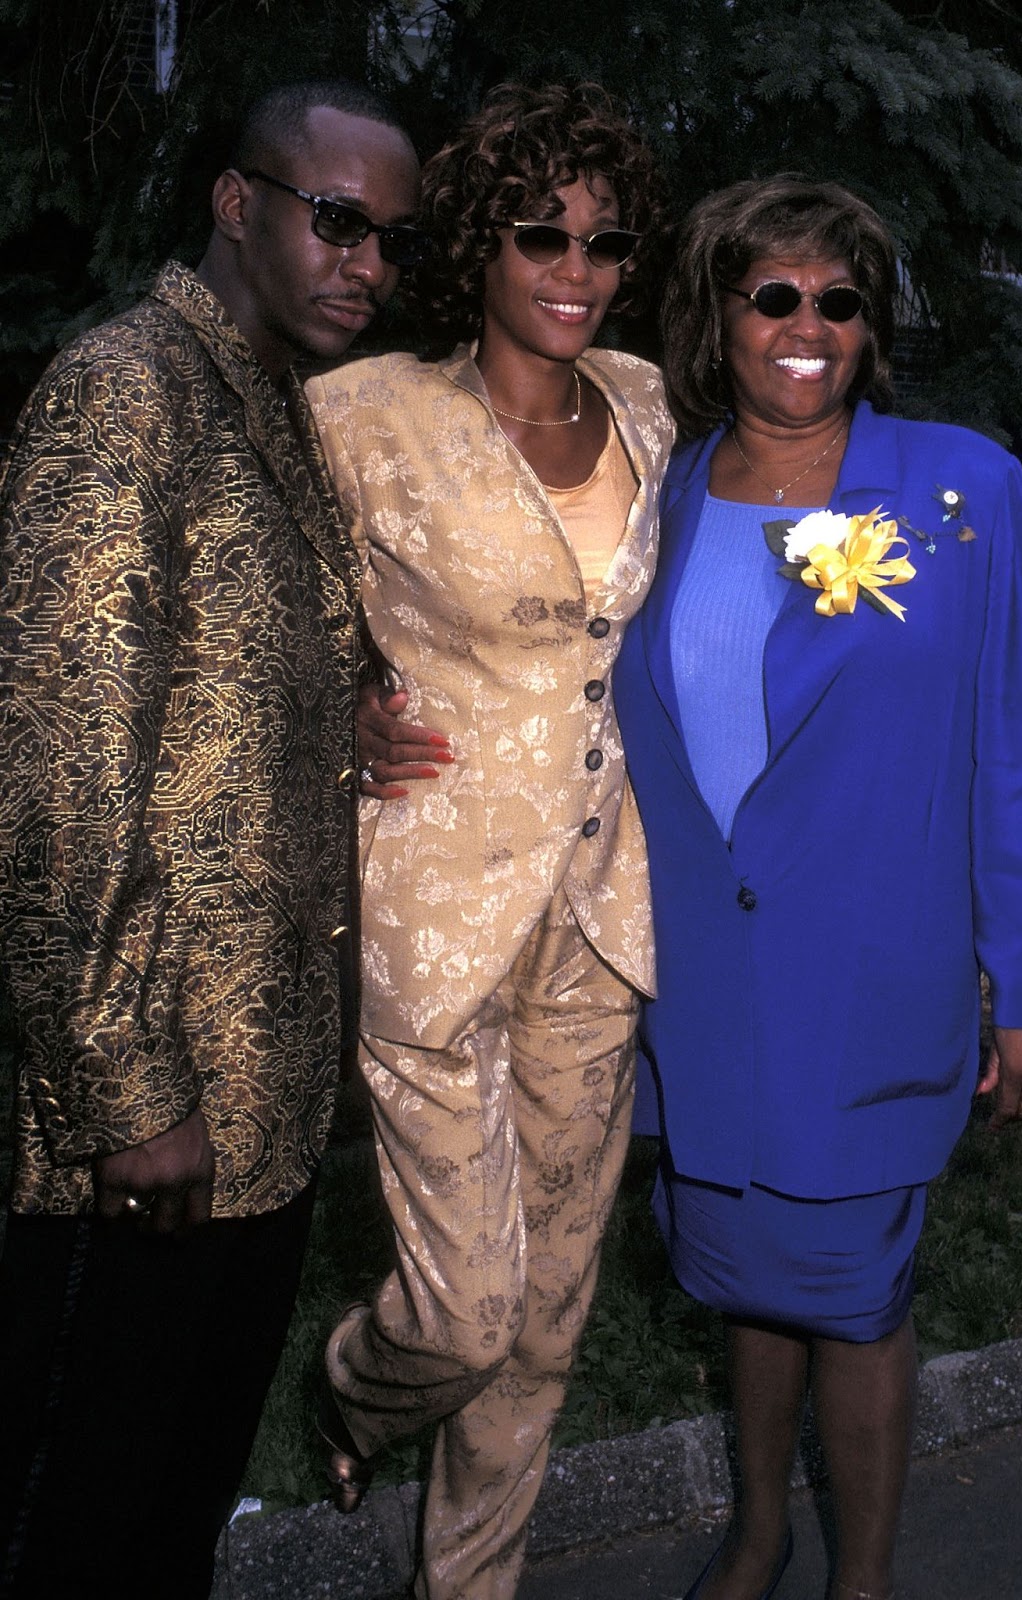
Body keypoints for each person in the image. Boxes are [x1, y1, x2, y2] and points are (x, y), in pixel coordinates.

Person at [610, 176, 1022, 1600]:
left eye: (838, 299)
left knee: (854, 1294)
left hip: (872, 983)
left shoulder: (959, 492)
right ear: (719, 315)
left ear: (869, 326)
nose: (804, 326)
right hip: (700, 985)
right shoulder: (659, 492)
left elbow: (1020, 751)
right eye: (772, 295)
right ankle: (757, 1535)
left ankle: (857, 1586)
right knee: (746, 1281)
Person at [0, 80, 420, 1600]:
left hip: (264, 1098)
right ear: (238, 205)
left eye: (390, 238)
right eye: (336, 220)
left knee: (170, 1510)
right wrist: (124, 1091)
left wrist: (349, 721)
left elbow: (234, 687)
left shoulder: (270, 403)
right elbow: (62, 775)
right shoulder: (125, 390)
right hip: (146, 1120)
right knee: (70, 1518)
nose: (365, 262)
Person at [304, 83, 673, 1600]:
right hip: (432, 910)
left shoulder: (651, 403)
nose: (574, 268)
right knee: (461, 1314)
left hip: (602, 911)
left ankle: (470, 1587)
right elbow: (257, 620)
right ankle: (351, 1384)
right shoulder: (363, 412)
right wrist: (340, 715)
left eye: (602, 239)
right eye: (541, 234)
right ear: (482, 241)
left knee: (545, 1319)